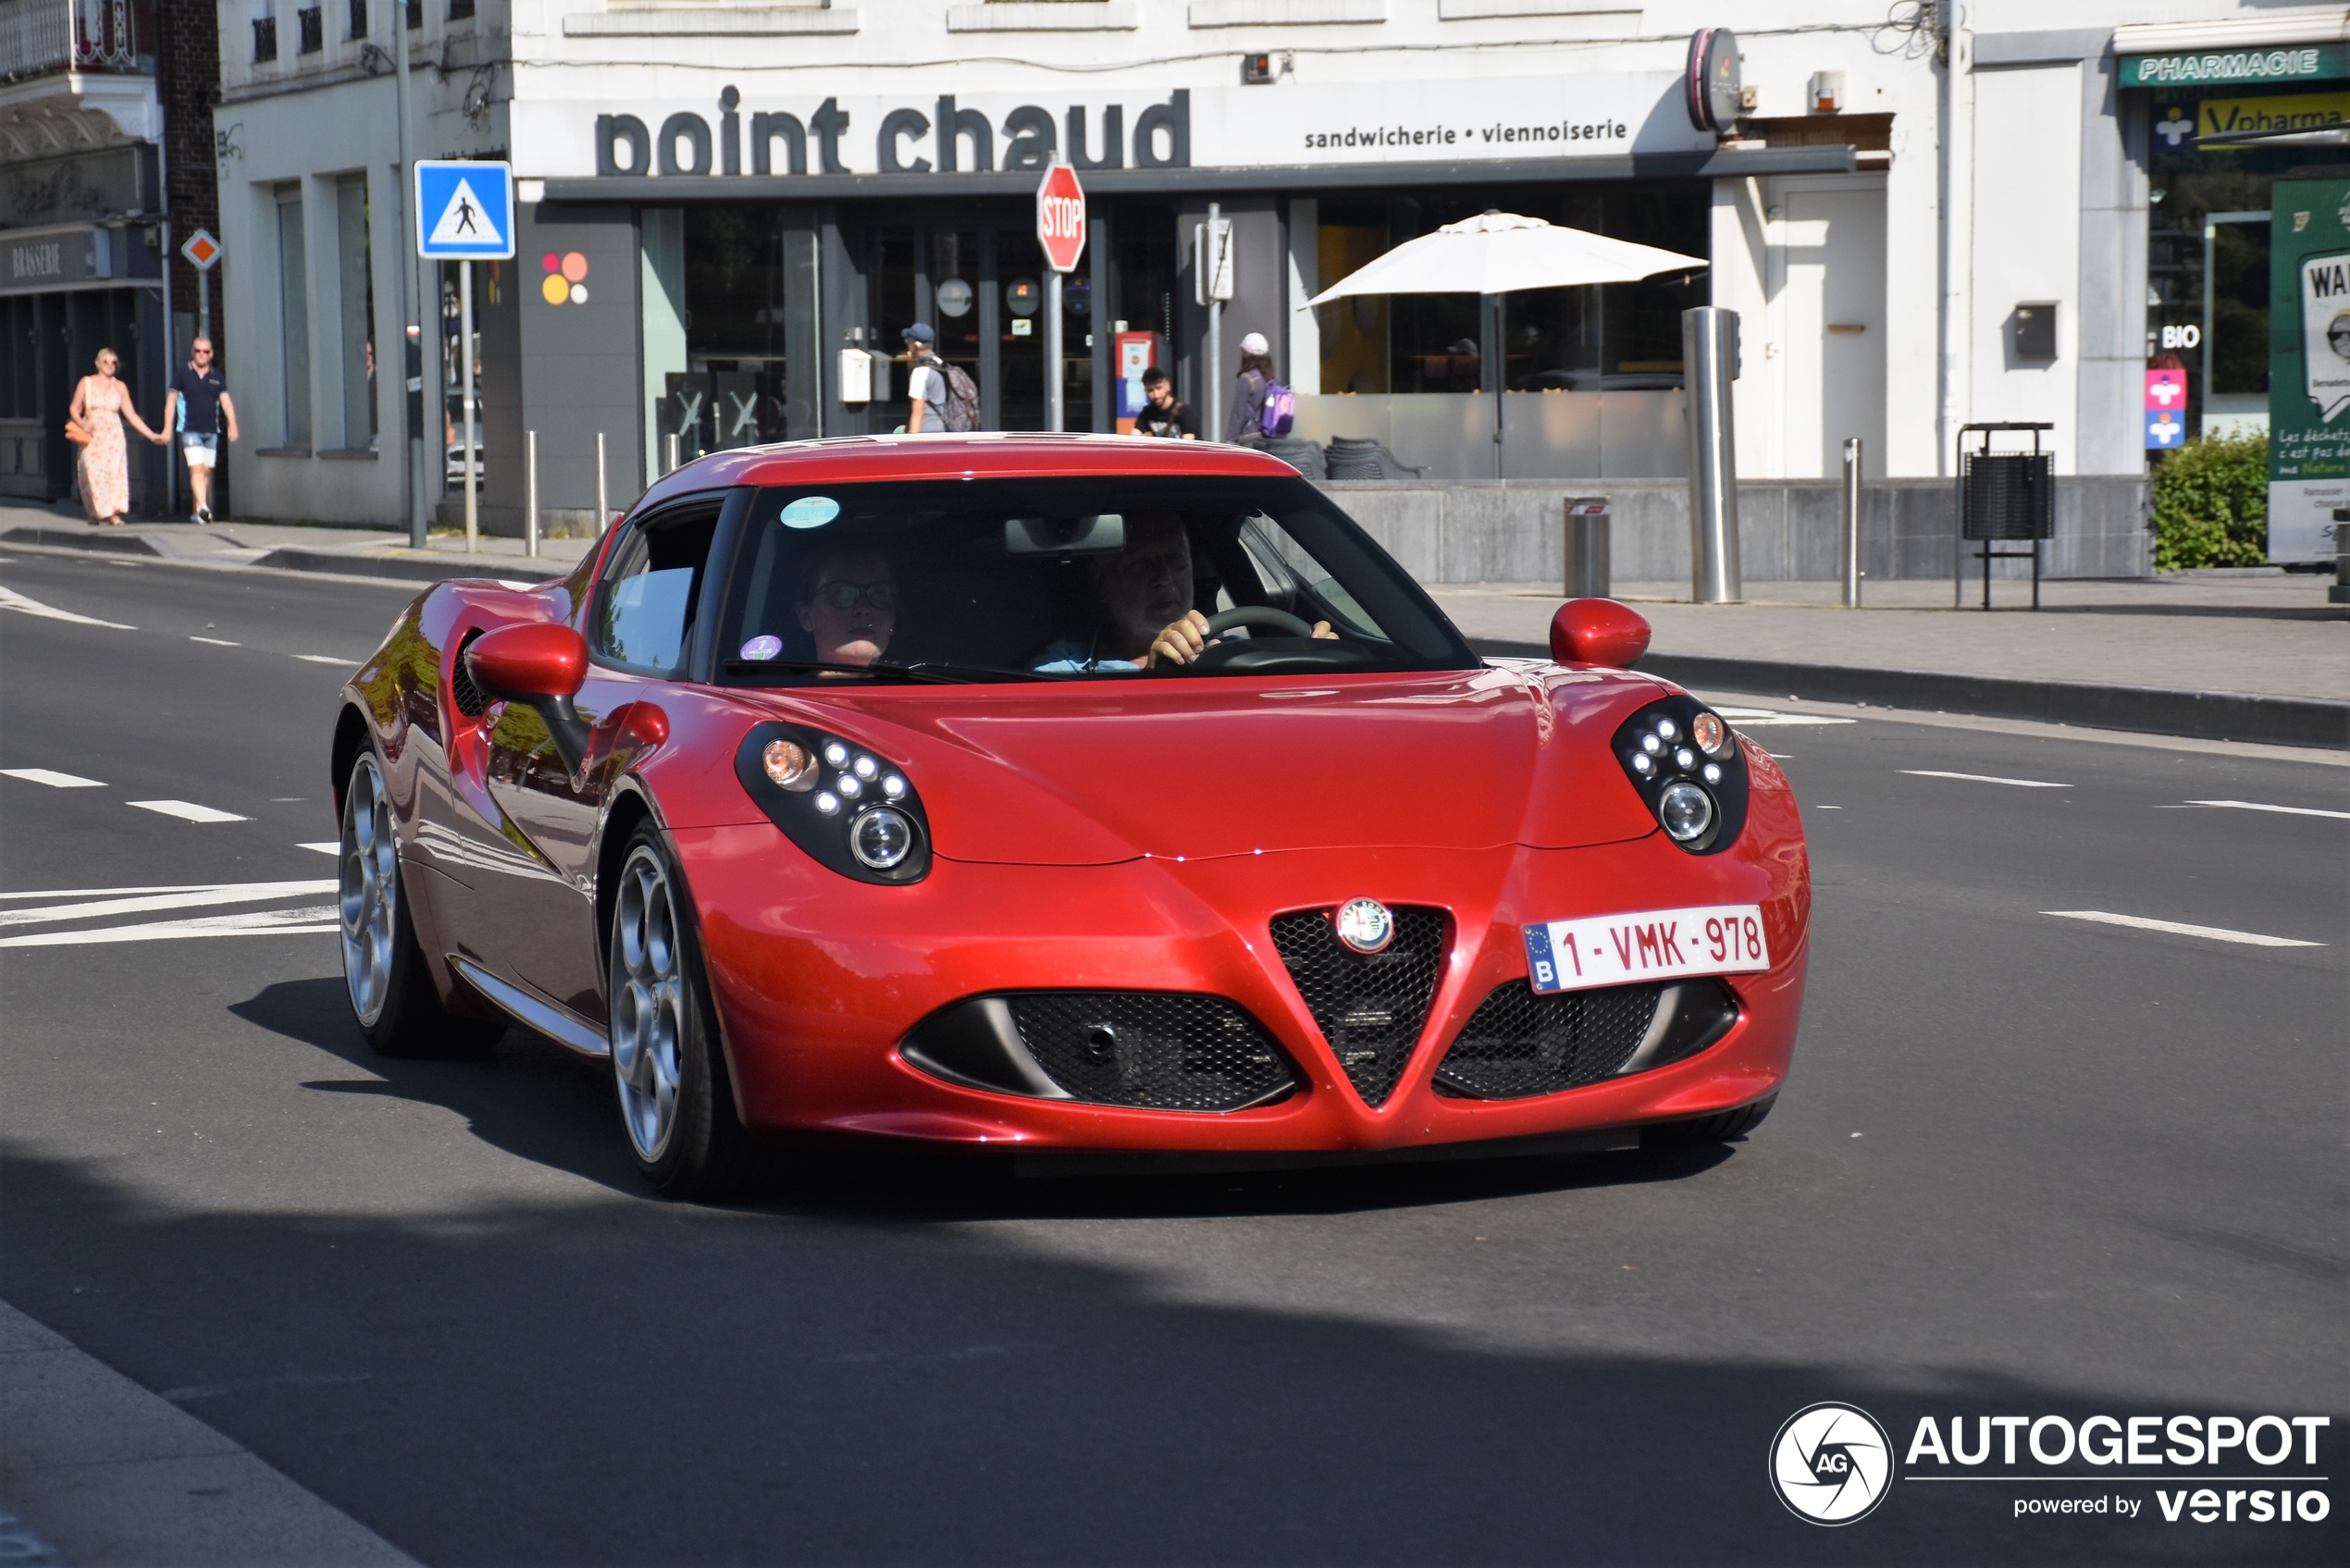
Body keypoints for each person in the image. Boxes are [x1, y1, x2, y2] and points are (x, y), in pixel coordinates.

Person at [1032, 512, 1333, 673]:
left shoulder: (1238, 654)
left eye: (1176, 560)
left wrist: (1315, 663)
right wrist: (1154, 676)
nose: (1164, 578)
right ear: (1103, 583)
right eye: (1140, 564)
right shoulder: (1063, 666)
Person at [68, 347, 165, 527]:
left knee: (114, 474)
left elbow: (132, 415)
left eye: (113, 363)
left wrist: (151, 435)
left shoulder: (119, 387)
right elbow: (74, 408)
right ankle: (95, 511)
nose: (110, 366)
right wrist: (82, 424)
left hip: (113, 436)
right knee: (92, 472)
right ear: (97, 363)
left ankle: (112, 513)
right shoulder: (86, 383)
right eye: (106, 362)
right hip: (92, 435)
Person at [164, 337, 239, 524]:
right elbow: (171, 401)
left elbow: (226, 402)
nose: (201, 355)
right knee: (196, 469)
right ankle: (204, 507)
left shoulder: (216, 376)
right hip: (190, 428)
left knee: (205, 471)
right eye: (198, 351)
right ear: (193, 352)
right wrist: (167, 428)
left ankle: (198, 511)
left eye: (205, 351)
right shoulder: (182, 374)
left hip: (211, 430)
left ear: (211, 354)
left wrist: (233, 423)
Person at [796, 546, 897, 667]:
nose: (863, 608)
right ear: (806, 616)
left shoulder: (921, 684)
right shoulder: (775, 684)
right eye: (842, 593)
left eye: (879, 594)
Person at [1226, 331, 1276, 445]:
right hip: (1269, 439)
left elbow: (1238, 414)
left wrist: (1229, 440)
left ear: (1246, 354)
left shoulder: (1247, 379)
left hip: (1249, 438)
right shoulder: (1270, 380)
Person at [903, 324, 947, 433]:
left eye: (909, 340)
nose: (907, 343)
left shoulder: (920, 373)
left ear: (915, 344)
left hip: (926, 433)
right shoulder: (941, 366)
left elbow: (918, 413)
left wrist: (910, 442)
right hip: (943, 430)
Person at [1134, 367, 1198, 439]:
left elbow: (1188, 444)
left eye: (1159, 388)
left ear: (1168, 386)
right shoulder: (1147, 413)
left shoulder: (1185, 412)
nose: (1156, 395)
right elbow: (1134, 438)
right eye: (1150, 390)